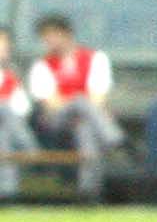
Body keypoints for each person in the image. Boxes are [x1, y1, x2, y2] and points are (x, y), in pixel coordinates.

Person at [26, 13, 123, 198]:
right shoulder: (42, 66)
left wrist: (83, 109)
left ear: (66, 33)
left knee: (85, 129)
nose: (49, 41)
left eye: (53, 35)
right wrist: (79, 103)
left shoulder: (95, 59)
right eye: (46, 37)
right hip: (56, 122)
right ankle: (115, 139)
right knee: (80, 101)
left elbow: (99, 97)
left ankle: (88, 192)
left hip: (86, 119)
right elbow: (51, 103)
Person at [0, 27, 37, 197]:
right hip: (14, 127)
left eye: (6, 44)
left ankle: (7, 194)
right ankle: (29, 147)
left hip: (8, 126)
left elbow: (24, 107)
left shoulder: (12, 75)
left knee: (4, 135)